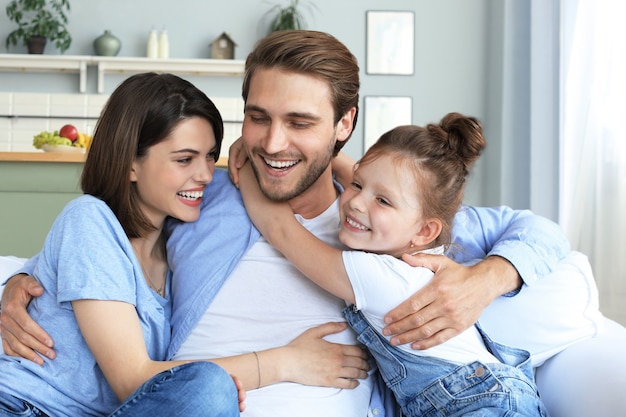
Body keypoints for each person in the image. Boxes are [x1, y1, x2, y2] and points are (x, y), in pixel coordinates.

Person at [0, 30, 615, 416]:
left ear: (344, 123)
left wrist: (487, 279)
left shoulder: (384, 216)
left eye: (299, 122)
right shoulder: (204, 193)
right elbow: (100, 255)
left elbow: (543, 235)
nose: (271, 142)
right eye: (259, 117)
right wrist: (16, 284)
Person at [236, 116, 550, 416]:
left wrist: (252, 164)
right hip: (497, 394)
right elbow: (377, 184)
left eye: (383, 201)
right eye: (357, 185)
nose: (356, 202)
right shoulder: (418, 247)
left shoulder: (378, 276)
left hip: (479, 405)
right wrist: (296, 156)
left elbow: (281, 231)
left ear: (425, 231)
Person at [0, 72, 243, 416]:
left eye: (210, 156)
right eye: (184, 159)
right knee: (209, 388)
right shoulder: (89, 220)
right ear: (130, 163)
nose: (205, 174)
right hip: (25, 407)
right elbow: (132, 379)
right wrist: (285, 363)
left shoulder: (179, 249)